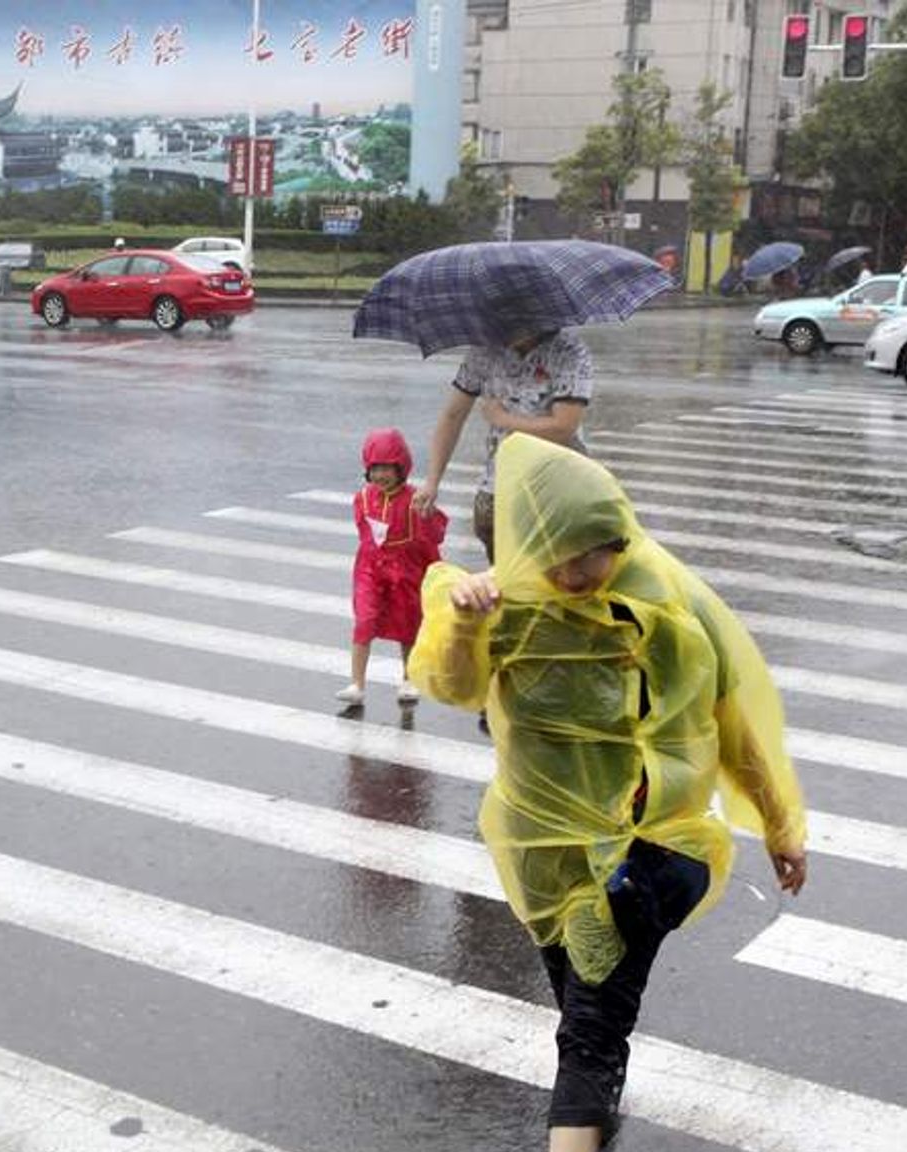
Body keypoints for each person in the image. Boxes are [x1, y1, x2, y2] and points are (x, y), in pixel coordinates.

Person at [409, 433, 808, 1152]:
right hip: (544, 858)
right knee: (581, 1007)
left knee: (587, 1036)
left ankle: (587, 1110)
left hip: (646, 852)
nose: (571, 574)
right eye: (552, 555)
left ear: (616, 537)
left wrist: (780, 825)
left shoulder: (670, 610)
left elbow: (733, 727)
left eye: (588, 553)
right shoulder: (504, 605)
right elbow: (450, 686)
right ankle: (599, 1105)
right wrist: (465, 621)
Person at [412, 328, 593, 566]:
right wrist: (432, 482)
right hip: (499, 489)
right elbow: (453, 416)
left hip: (557, 491)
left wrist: (504, 420)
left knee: (559, 584)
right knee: (506, 584)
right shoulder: (484, 351)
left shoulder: (569, 351)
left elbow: (564, 426)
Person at [336, 428, 448, 706]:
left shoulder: (415, 500)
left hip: (405, 571)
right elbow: (366, 536)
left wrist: (429, 514)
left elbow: (435, 535)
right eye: (374, 468)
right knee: (364, 620)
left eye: (387, 468)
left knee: (408, 624)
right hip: (371, 570)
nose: (380, 475)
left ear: (401, 468)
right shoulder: (362, 499)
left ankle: (409, 678)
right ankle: (356, 683)